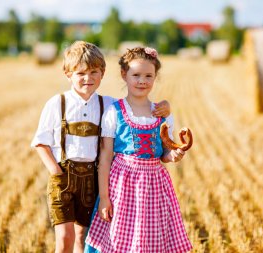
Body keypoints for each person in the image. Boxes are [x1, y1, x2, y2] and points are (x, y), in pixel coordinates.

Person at [31, 41, 171, 253]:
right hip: (63, 178)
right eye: (81, 73)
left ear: (102, 73)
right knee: (64, 236)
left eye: (94, 72)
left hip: (91, 178)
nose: (88, 78)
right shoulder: (56, 103)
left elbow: (136, 104)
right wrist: (56, 171)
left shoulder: (108, 105)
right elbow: (40, 142)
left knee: (82, 235)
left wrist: (165, 107)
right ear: (67, 73)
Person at [85, 47, 193, 253]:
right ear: (124, 75)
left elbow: (165, 153)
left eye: (148, 76)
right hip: (122, 186)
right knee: (119, 239)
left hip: (154, 185)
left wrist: (174, 155)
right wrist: (105, 198)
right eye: (136, 75)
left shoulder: (162, 113)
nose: (142, 81)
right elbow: (106, 158)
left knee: (152, 238)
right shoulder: (114, 111)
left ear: (155, 77)